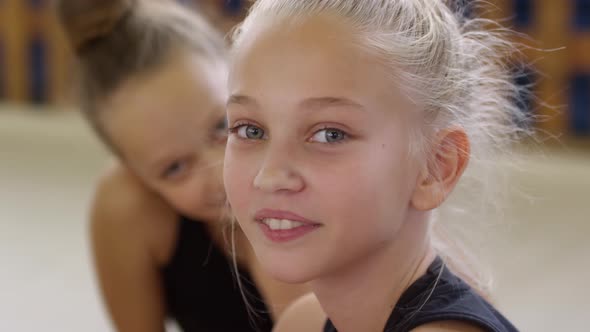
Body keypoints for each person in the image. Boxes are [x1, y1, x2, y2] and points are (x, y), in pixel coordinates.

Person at [224, 0, 529, 331]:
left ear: (436, 167)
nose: (270, 176)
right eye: (250, 130)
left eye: (330, 134)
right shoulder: (305, 322)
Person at [56, 0, 308, 331]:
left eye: (222, 126)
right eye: (175, 168)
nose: (221, 172)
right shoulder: (128, 203)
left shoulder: (325, 165)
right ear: (139, 174)